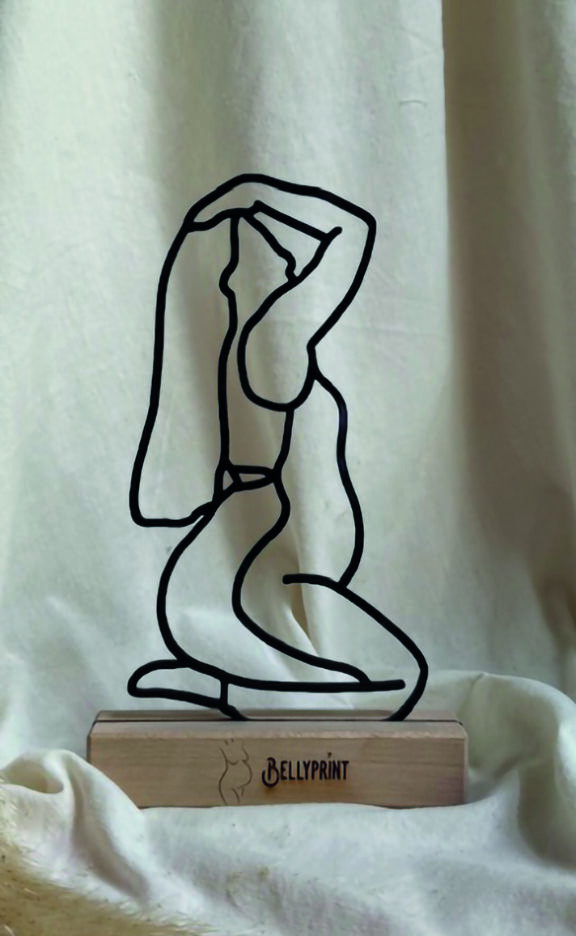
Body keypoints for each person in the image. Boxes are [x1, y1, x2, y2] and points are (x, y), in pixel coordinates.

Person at [129, 175, 427, 720]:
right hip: (258, 514)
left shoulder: (270, 337)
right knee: (196, 611)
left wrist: (248, 192)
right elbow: (347, 231)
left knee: (202, 610)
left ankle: (254, 687)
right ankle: (241, 683)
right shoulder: (262, 337)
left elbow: (351, 229)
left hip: (270, 520)